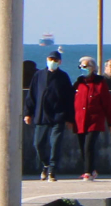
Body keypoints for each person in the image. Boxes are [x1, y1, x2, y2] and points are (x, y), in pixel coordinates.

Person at [28, 51, 75, 182]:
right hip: (41, 115)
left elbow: (69, 99)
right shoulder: (38, 75)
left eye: (55, 60)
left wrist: (70, 118)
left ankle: (52, 170)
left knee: (55, 144)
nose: (52, 61)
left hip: (58, 116)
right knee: (38, 143)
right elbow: (32, 95)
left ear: (60, 62)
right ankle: (46, 165)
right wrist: (28, 112)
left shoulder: (63, 77)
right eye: (50, 59)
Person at [73, 59, 111, 183]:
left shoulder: (100, 83)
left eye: (86, 66)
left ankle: (88, 172)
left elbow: (107, 104)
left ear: (93, 68)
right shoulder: (78, 83)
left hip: (94, 121)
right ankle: (92, 169)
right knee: (82, 147)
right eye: (82, 66)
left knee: (89, 146)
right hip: (80, 121)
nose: (84, 68)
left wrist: (110, 122)